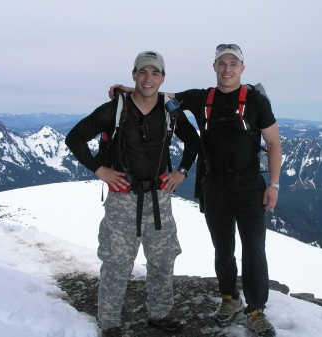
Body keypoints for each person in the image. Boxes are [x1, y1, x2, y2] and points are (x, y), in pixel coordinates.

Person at [109, 44, 281, 337]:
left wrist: (274, 185)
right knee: (223, 247)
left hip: (250, 185)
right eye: (222, 63)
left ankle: (255, 310)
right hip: (214, 184)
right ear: (214, 66)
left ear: (242, 68)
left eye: (233, 64)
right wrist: (130, 88)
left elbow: (274, 143)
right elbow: (165, 96)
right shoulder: (202, 98)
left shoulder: (255, 102)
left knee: (254, 248)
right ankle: (230, 298)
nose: (227, 69)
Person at [66, 51, 200, 337]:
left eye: (154, 73)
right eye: (143, 72)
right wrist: (99, 169)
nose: (148, 78)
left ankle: (160, 314)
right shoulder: (114, 110)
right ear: (134, 75)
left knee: (163, 259)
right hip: (123, 198)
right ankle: (110, 321)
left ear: (163, 78)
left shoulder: (170, 110)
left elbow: (194, 142)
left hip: (159, 197)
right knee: (117, 261)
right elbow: (74, 138)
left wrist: (182, 172)